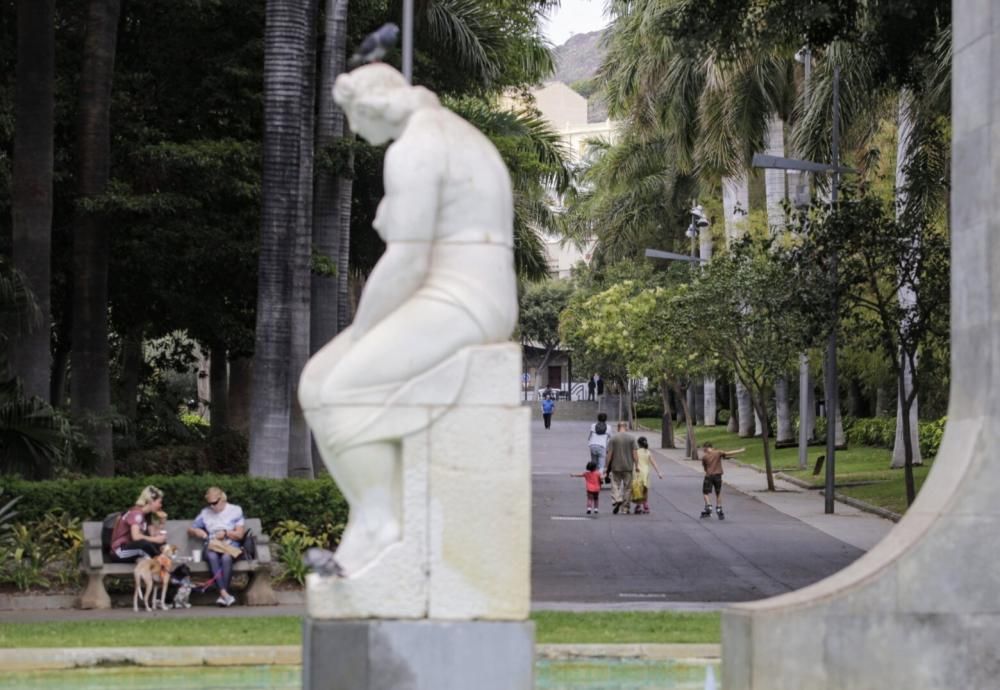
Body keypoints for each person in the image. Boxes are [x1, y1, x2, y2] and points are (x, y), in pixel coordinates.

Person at [298, 64, 519, 576]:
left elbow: (406, 261)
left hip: (463, 297)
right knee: (315, 382)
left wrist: (361, 332)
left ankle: (386, 531)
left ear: (371, 105)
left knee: (342, 389)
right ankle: (370, 519)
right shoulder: (452, 135)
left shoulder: (417, 147)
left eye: (352, 117)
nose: (354, 132)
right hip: (449, 293)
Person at [187, 486, 246, 607]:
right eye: (210, 504)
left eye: (214, 503)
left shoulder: (235, 510)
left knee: (226, 558)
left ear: (222, 499)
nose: (212, 506)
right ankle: (224, 594)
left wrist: (225, 533)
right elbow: (190, 529)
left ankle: (223, 595)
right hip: (211, 545)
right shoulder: (205, 513)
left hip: (229, 546)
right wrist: (196, 532)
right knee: (212, 556)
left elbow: (240, 535)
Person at [109, 485, 168, 562]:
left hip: (132, 548)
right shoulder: (136, 513)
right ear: (150, 501)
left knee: (159, 544)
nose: (161, 505)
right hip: (120, 551)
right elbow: (136, 537)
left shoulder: (146, 515)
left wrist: (161, 523)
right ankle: (162, 564)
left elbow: (154, 536)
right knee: (144, 545)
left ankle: (161, 563)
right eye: (159, 502)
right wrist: (155, 539)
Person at [699, 441, 745, 520]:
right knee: (718, 492)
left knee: (705, 492)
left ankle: (709, 506)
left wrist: (708, 472)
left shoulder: (704, 457)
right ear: (711, 447)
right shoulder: (718, 452)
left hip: (709, 476)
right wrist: (740, 450)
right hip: (718, 476)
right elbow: (728, 453)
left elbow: (705, 468)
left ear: (706, 448)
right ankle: (719, 508)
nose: (703, 450)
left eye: (704, 449)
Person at [604, 422, 637, 514]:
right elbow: (635, 453)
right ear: (626, 427)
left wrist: (606, 467)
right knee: (627, 488)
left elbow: (609, 454)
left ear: (618, 428)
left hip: (616, 466)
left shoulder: (613, 438)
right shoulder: (632, 438)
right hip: (628, 466)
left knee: (615, 484)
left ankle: (617, 498)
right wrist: (637, 465)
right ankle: (625, 508)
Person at [630, 437, 663, 514]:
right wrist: (659, 472)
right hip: (646, 473)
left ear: (638, 444)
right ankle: (645, 505)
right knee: (645, 490)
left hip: (637, 472)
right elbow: (653, 463)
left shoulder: (636, 452)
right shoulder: (648, 452)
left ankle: (638, 506)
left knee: (638, 490)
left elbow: (632, 461)